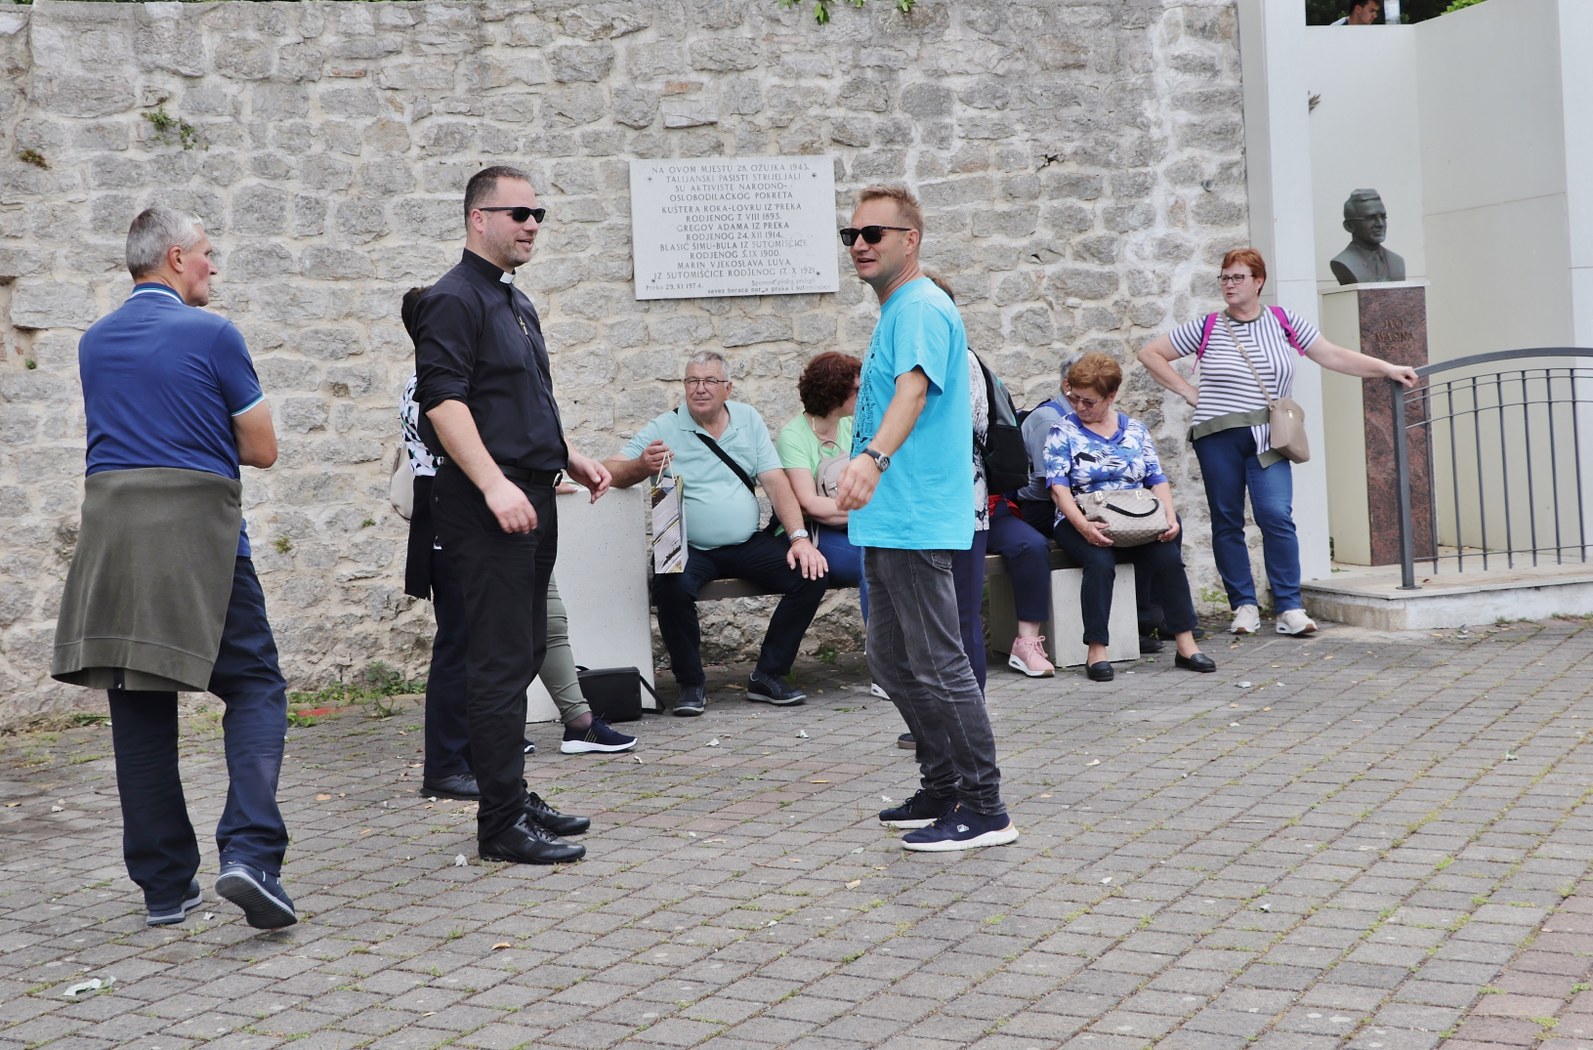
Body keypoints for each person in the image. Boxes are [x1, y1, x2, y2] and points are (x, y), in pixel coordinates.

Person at [51, 206, 297, 929]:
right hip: (200, 537)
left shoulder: (94, 341)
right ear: (177, 258)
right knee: (254, 684)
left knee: (138, 703)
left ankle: (164, 888)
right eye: (207, 253)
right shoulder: (212, 333)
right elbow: (262, 448)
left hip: (114, 539)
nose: (214, 266)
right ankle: (250, 853)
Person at [413, 164, 611, 865]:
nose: (532, 225)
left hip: (532, 493)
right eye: (518, 213)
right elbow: (444, 403)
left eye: (538, 214)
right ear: (478, 219)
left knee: (525, 650)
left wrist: (568, 454)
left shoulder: (513, 300)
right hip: (486, 506)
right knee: (498, 663)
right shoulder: (451, 299)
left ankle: (510, 792)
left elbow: (519, 402)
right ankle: (499, 826)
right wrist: (496, 486)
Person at [835, 184, 1017, 853]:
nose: (859, 245)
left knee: (940, 663)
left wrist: (872, 458)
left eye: (873, 234)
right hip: (889, 519)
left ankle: (984, 806)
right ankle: (941, 784)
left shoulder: (917, 305)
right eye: (851, 235)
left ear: (909, 241)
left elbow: (912, 392)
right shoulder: (899, 308)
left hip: (914, 515)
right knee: (890, 659)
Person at [1136, 247, 1418, 637]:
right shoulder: (1207, 326)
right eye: (1224, 278)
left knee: (1276, 515)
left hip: (1270, 436)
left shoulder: (1284, 322)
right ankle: (1244, 606)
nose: (1229, 285)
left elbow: (1332, 355)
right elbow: (1150, 353)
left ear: (1258, 281)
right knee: (1227, 521)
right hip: (1217, 436)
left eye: (1238, 277)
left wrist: (1387, 368)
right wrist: (1188, 392)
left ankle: (1289, 607)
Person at [399, 350, 635, 793]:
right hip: (459, 521)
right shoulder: (438, 388)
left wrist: (548, 468)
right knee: (461, 647)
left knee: (505, 641)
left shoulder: (461, 381)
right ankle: (448, 765)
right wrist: (516, 478)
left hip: (480, 517)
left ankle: (482, 751)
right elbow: (472, 446)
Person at [604, 351, 828, 716]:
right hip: (690, 545)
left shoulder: (748, 419)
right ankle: (691, 683)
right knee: (670, 584)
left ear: (728, 388)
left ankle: (768, 675)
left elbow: (775, 481)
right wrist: (641, 465)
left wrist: (799, 538)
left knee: (811, 574)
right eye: (692, 381)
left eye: (710, 381)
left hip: (747, 542)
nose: (700, 388)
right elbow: (610, 469)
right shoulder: (666, 425)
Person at [1042, 353, 1215, 683]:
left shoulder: (1135, 430)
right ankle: (1097, 650)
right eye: (1074, 398)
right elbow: (1058, 490)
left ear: (1110, 396)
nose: (1079, 406)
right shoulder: (1061, 431)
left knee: (1168, 558)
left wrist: (1168, 517)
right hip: (1081, 516)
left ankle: (1185, 644)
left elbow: (1157, 478)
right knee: (1099, 562)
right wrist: (1084, 526)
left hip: (1133, 518)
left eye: (1088, 401)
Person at [778, 352, 866, 616]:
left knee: (895, 558)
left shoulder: (852, 424)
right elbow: (809, 503)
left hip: (851, 524)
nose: (862, 394)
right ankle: (883, 642)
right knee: (871, 565)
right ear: (835, 392)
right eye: (856, 389)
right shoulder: (793, 436)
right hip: (813, 531)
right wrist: (869, 509)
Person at [1329, 189, 1406, 285]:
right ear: (1349, 226)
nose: (1380, 224)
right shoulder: (1343, 262)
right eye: (1371, 218)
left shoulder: (1397, 261)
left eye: (1383, 217)